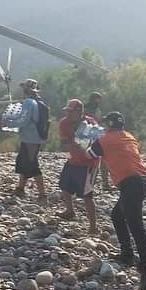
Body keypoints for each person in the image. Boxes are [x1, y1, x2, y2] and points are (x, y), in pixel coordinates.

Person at [89, 111, 146, 281]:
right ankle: (127, 253)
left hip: (131, 184)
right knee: (117, 216)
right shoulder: (129, 136)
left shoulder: (105, 139)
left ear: (109, 124)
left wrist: (84, 137)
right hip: (142, 182)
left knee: (136, 225)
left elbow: (91, 154)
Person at [57, 99, 99, 234]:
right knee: (64, 186)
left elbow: (92, 144)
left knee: (87, 196)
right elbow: (64, 144)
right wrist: (77, 139)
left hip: (89, 164)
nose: (68, 114)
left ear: (79, 111)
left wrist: (79, 140)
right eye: (67, 111)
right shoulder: (64, 123)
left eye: (70, 111)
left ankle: (93, 226)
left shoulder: (90, 123)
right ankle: (70, 211)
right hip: (74, 160)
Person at [10, 79, 47, 200]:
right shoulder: (38, 101)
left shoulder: (28, 102)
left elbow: (24, 121)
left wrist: (9, 123)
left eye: (24, 88)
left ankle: (42, 194)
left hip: (30, 138)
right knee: (24, 162)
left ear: (26, 89)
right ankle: (20, 188)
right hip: (35, 137)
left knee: (32, 164)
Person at [87, 91, 111, 192]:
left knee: (103, 158)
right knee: (88, 159)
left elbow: (99, 123)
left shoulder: (98, 110)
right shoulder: (84, 109)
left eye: (98, 100)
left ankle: (104, 182)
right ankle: (87, 182)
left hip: (96, 136)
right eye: (96, 99)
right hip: (86, 137)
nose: (97, 102)